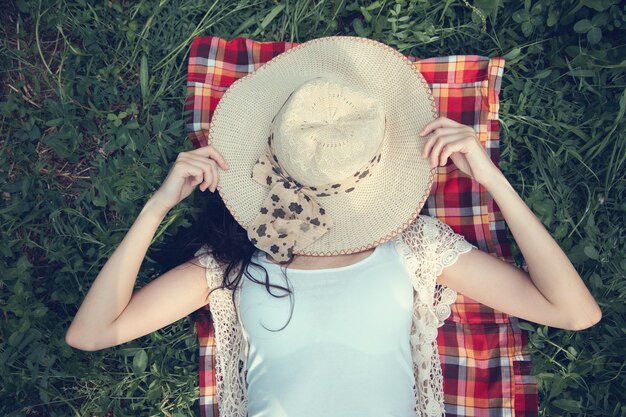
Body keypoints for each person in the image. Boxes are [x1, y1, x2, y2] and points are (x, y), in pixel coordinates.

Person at [65, 36, 601, 417]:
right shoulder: (231, 265)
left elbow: (574, 313)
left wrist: (490, 176)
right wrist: (157, 206)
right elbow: (91, 334)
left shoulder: (416, 248)